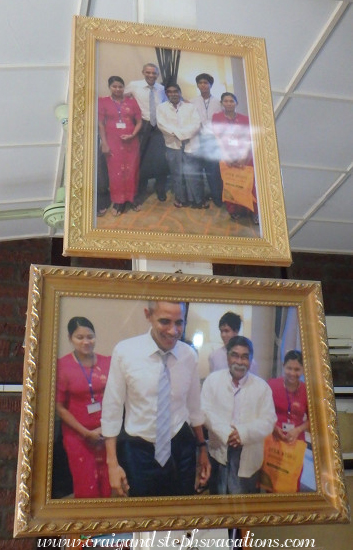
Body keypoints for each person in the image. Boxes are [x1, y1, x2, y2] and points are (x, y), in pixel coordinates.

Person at [101, 301, 211, 497]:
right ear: (148, 315)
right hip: (139, 449)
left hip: (180, 445)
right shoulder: (125, 352)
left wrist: (202, 449)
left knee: (180, 510)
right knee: (143, 517)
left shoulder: (188, 355)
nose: (173, 330)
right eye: (165, 321)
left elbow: (194, 407)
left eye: (179, 322)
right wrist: (112, 464)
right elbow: (112, 410)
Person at [201, 336, 276, 494]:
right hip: (218, 450)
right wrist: (226, 433)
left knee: (244, 507)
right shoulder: (212, 381)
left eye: (245, 357)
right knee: (218, 500)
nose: (240, 362)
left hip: (248, 452)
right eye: (235, 355)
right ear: (227, 357)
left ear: (251, 360)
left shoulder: (262, 387)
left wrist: (242, 433)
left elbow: (269, 421)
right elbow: (205, 411)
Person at [56, 317, 111, 498]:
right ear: (70, 338)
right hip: (77, 436)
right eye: (80, 337)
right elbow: (59, 407)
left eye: (90, 336)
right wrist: (86, 433)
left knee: (107, 483)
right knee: (86, 485)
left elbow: (116, 398)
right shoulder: (62, 366)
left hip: (106, 432)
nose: (86, 342)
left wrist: (107, 428)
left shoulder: (107, 362)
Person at [157, 82, 209, 209]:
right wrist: (179, 135)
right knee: (177, 173)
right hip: (172, 145)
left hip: (191, 144)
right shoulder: (161, 108)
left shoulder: (189, 107)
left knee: (193, 173)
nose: (173, 94)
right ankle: (181, 198)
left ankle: (197, 200)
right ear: (166, 94)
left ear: (180, 93)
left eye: (176, 91)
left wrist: (183, 135)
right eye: (170, 92)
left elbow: (196, 124)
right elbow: (162, 125)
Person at [125, 63, 169, 204]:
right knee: (141, 157)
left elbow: (166, 105)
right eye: (148, 72)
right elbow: (121, 98)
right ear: (143, 72)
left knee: (161, 158)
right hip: (142, 124)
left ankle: (160, 187)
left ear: (157, 74)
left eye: (154, 73)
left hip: (159, 126)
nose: (151, 75)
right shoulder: (134, 85)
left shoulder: (161, 88)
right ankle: (141, 188)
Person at [98, 76, 142, 216]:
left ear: (124, 88)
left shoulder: (132, 101)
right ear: (110, 87)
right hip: (112, 142)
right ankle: (118, 201)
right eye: (114, 86)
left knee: (132, 171)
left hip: (131, 143)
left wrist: (133, 135)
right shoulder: (103, 102)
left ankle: (131, 198)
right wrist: (104, 143)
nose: (117, 89)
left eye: (120, 86)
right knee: (115, 173)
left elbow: (139, 122)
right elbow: (100, 124)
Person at [212, 92, 259, 224]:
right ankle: (234, 210)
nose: (228, 103)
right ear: (222, 104)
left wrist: (243, 157)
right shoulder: (217, 117)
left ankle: (254, 212)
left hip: (245, 157)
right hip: (226, 157)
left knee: (249, 184)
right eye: (225, 101)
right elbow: (217, 138)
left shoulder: (245, 119)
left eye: (231, 101)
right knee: (231, 184)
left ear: (236, 103)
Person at [191, 73, 223, 207]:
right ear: (197, 85)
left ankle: (217, 197)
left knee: (213, 171)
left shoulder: (218, 102)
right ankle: (200, 198)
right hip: (197, 139)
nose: (203, 85)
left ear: (211, 85)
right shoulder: (192, 102)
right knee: (197, 170)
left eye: (206, 82)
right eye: (200, 83)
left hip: (212, 140)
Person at [267, 350, 309, 445]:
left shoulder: (307, 391)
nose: (292, 373)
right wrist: (273, 427)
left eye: (297, 369)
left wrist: (298, 430)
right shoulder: (271, 385)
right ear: (283, 366)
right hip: (273, 437)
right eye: (289, 368)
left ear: (303, 369)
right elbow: (261, 411)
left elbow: (313, 419)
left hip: (296, 440)